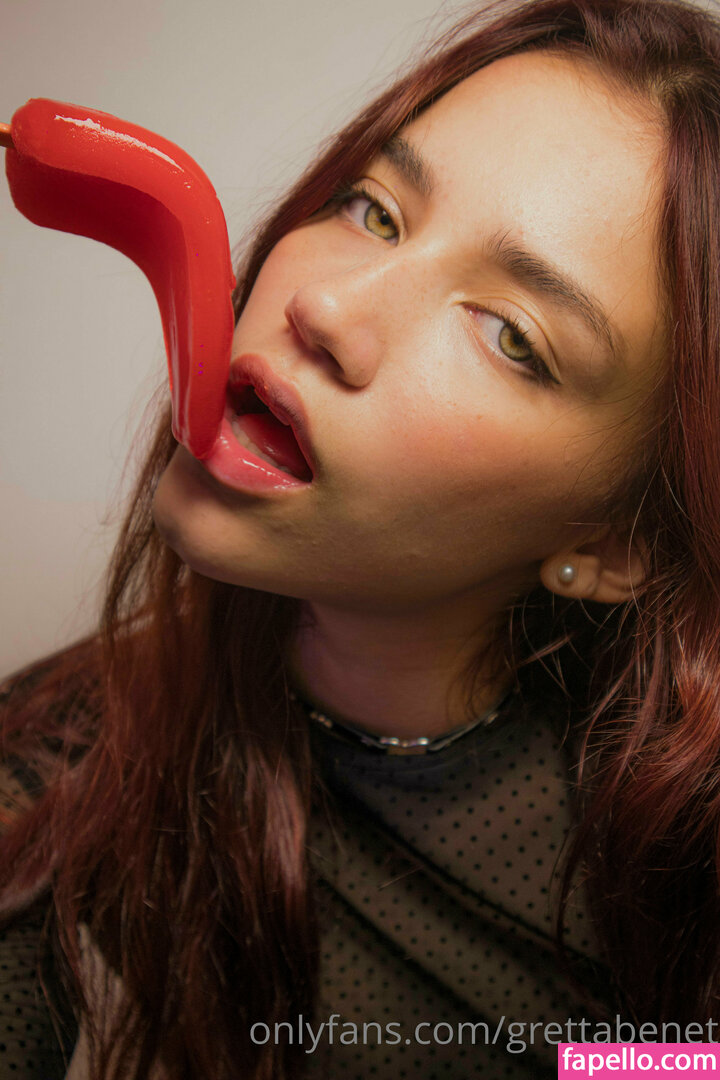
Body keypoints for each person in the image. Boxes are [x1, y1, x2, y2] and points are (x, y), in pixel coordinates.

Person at [2, 0, 720, 1076]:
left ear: (615, 547)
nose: (328, 307)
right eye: (374, 210)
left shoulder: (679, 865)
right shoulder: (57, 766)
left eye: (511, 336)